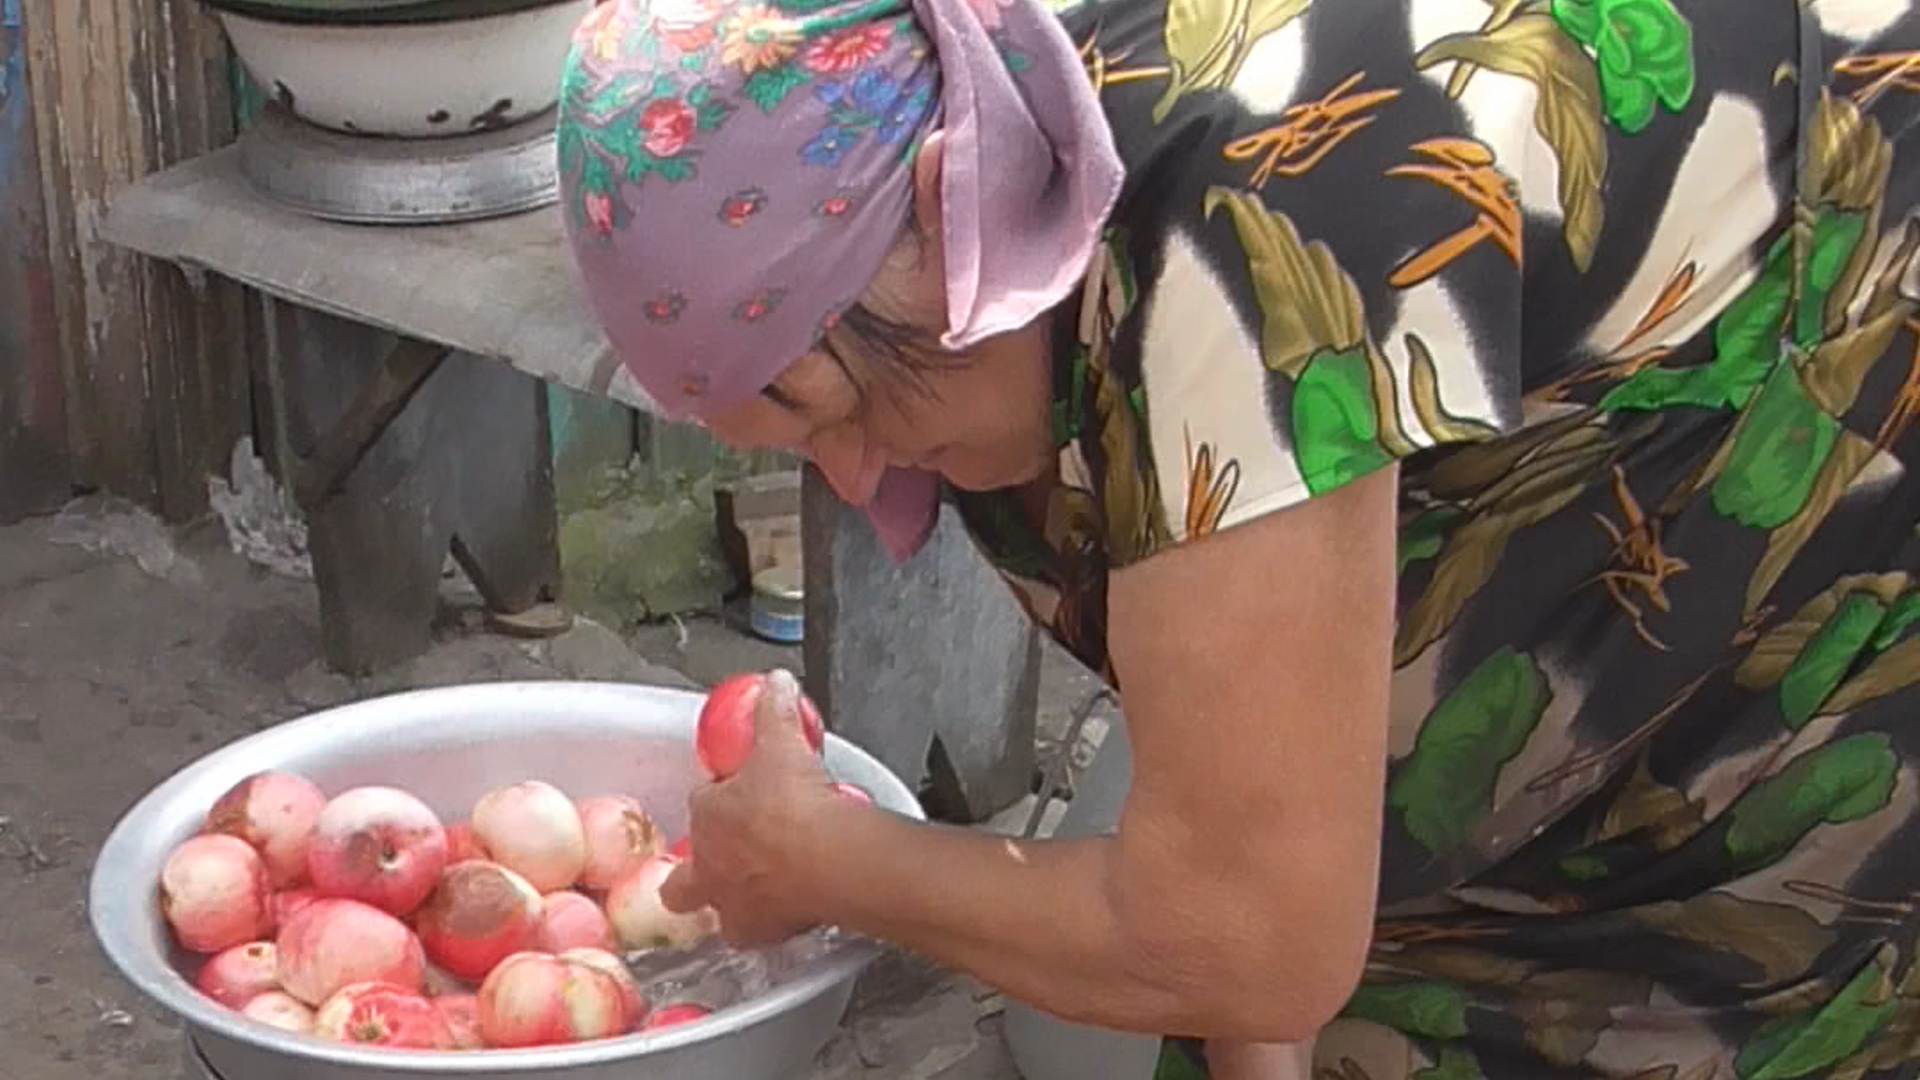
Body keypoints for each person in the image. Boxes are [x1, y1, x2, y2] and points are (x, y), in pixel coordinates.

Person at [555, 0, 1920, 1073]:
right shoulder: (1004, 255)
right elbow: (1228, 701)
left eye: (818, 401)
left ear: (933, 203)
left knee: (1675, 977)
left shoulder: (1236, 241)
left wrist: (830, 866)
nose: (854, 479)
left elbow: (1249, 936)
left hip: (1845, 353)